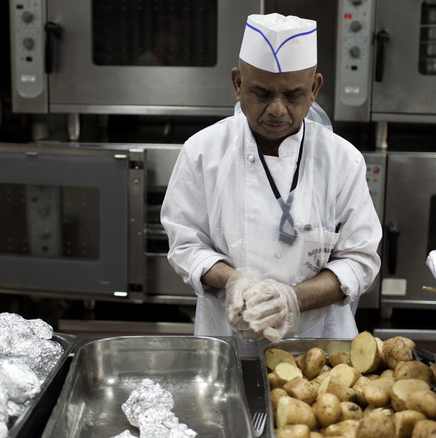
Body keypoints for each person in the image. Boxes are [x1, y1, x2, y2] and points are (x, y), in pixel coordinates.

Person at [160, 13, 382, 355]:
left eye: (293, 96)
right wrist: (234, 281)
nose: (277, 110)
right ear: (237, 84)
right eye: (261, 93)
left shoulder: (342, 161)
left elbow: (359, 260)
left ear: (314, 89)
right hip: (228, 343)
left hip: (320, 348)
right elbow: (186, 246)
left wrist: (293, 299)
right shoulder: (203, 152)